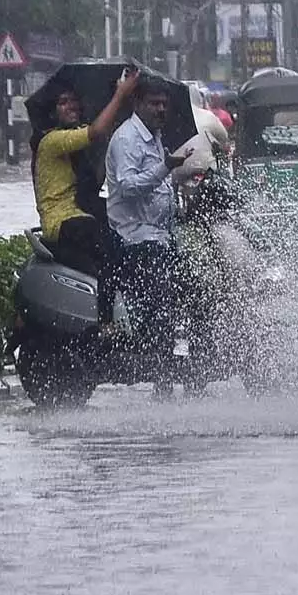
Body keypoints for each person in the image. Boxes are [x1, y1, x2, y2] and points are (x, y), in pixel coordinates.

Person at [105, 78, 197, 391]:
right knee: (162, 304)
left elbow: (159, 188)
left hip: (159, 235)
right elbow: (129, 187)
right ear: (137, 104)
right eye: (153, 103)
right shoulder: (128, 139)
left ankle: (194, 367)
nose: (160, 109)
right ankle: (162, 379)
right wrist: (165, 168)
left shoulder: (155, 137)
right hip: (136, 239)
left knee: (196, 288)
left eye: (164, 104)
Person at [33, 66, 138, 280]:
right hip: (62, 221)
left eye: (73, 100)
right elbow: (96, 131)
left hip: (81, 213)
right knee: (110, 249)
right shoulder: (52, 141)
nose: (71, 106)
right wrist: (120, 95)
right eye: (63, 102)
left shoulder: (73, 145)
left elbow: (95, 181)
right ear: (52, 112)